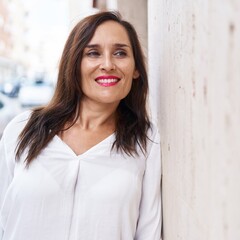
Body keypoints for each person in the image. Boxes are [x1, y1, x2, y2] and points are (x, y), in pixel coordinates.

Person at [0, 11, 162, 240]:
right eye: (93, 53)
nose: (108, 64)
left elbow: (148, 233)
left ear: (135, 69)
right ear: (74, 63)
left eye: (120, 53)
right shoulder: (22, 129)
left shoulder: (145, 142)